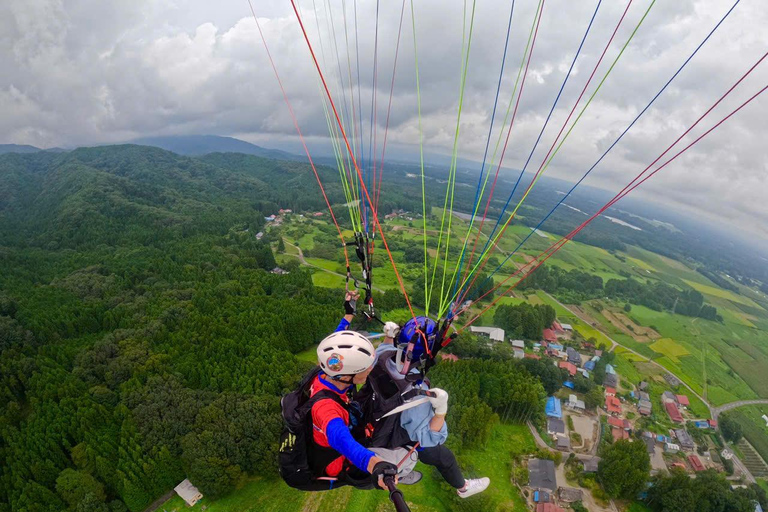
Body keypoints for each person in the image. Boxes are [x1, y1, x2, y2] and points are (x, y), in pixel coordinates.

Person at [356, 316, 490, 498]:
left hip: (368, 418)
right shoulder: (415, 393)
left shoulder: (382, 357)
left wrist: (389, 336)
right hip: (392, 440)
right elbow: (429, 437)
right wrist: (441, 409)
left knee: (432, 452)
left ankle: (402, 471)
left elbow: (387, 346)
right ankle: (463, 488)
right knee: (445, 458)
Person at [306, 291, 416, 489]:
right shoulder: (326, 410)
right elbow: (343, 443)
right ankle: (403, 470)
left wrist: (348, 314)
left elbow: (336, 348)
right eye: (366, 370)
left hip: (346, 422)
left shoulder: (327, 371)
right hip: (341, 463)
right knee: (410, 455)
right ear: (348, 376)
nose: (370, 371)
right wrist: (376, 465)